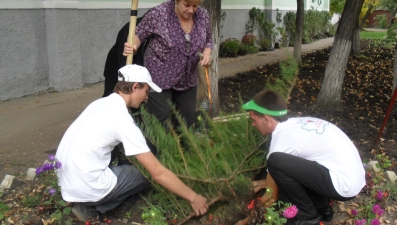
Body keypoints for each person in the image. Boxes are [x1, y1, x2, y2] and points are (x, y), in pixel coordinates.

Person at [55, 65, 208, 222]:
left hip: (67, 183)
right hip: (88, 185)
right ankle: (96, 208)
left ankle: (82, 200)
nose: (147, 97)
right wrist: (194, 197)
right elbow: (158, 173)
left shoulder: (99, 104)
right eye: (146, 91)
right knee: (145, 174)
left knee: (125, 170)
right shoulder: (121, 118)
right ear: (135, 87)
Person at [236, 90, 366, 225]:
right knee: (295, 167)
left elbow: (270, 197)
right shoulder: (297, 123)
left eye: (254, 120)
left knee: (275, 162)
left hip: (343, 185)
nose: (253, 125)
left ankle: (307, 217)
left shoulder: (281, 143)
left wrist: (244, 221)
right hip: (354, 177)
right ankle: (322, 209)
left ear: (267, 119)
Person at [123, 0, 213, 129]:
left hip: (187, 79)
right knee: (160, 118)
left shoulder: (203, 15)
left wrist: (206, 53)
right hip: (159, 77)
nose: (191, 10)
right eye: (187, 5)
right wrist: (133, 47)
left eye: (195, 6)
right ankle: (156, 148)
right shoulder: (159, 14)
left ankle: (183, 149)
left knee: (187, 120)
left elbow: (209, 40)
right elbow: (139, 34)